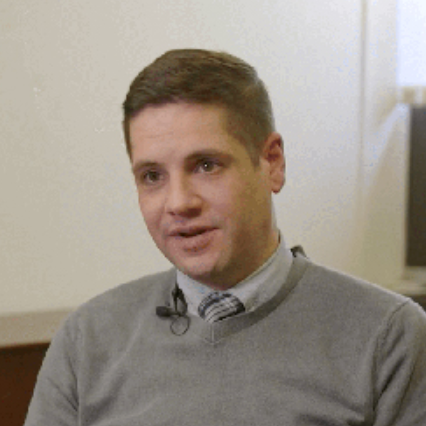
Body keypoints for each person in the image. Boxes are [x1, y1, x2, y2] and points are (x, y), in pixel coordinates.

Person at [25, 49, 426, 425]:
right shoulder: (86, 340)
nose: (179, 203)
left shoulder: (388, 337)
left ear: (272, 163)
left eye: (206, 165)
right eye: (152, 176)